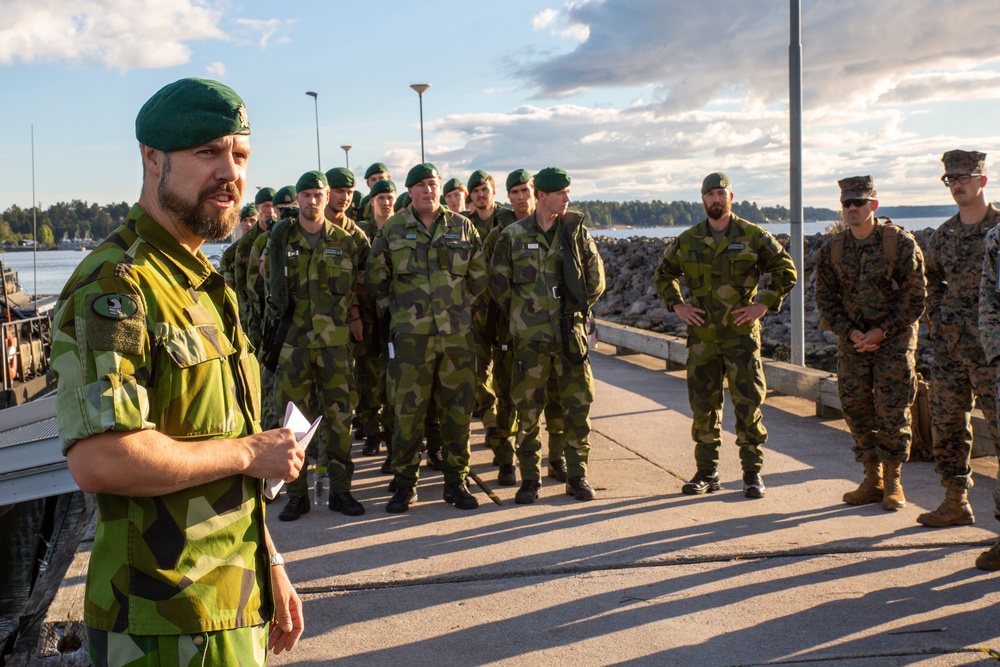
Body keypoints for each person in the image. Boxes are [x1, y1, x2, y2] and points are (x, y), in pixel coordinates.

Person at [49, 77, 304, 665]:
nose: (230, 172)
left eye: (239, 155)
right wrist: (249, 453)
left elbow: (217, 446)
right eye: (206, 152)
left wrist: (271, 564)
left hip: (229, 602)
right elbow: (101, 458)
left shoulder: (204, 284)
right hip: (161, 624)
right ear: (151, 157)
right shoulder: (118, 285)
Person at [655, 172, 796, 499]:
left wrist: (763, 304)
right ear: (702, 199)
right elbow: (664, 275)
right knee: (704, 407)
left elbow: (786, 270)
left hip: (741, 337)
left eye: (721, 193)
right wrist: (678, 306)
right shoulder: (688, 240)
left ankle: (752, 473)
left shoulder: (753, 235)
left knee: (748, 406)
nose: (715, 199)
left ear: (731, 196)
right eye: (710, 195)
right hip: (703, 339)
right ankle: (707, 472)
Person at [366, 163, 487, 513]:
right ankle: (405, 485)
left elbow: (479, 275)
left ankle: (456, 481)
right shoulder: (393, 229)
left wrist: (459, 307)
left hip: (456, 339)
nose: (428, 191)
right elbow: (376, 277)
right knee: (407, 413)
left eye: (432, 184)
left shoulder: (462, 227)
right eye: (420, 186)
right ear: (411, 192)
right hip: (410, 340)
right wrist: (400, 312)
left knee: (458, 412)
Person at [489, 167, 605, 503]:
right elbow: (499, 285)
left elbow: (596, 280)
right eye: (561, 193)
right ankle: (529, 479)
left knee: (577, 406)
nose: (568, 199)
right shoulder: (512, 235)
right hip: (530, 338)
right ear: (542, 196)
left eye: (569, 192)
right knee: (528, 409)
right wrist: (527, 314)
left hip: (570, 334)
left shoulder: (576, 233)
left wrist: (573, 307)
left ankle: (577, 475)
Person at [815, 176, 926, 511]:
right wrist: (850, 333)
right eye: (846, 204)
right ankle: (871, 477)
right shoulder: (832, 249)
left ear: (873, 205)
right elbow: (825, 299)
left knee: (892, 409)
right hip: (854, 341)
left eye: (858, 203)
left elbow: (916, 295)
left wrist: (884, 331)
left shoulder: (900, 243)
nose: (851, 209)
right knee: (856, 406)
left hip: (894, 341)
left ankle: (894, 481)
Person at [269, 171, 368, 521]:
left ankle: (342, 491)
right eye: (306, 194)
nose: (313, 201)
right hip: (294, 344)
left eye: (319, 194)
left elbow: (360, 288)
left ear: (328, 199)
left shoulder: (346, 241)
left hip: (335, 346)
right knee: (292, 422)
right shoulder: (280, 240)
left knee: (341, 419)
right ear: (297, 199)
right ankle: (297, 494)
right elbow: (266, 291)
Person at [920, 150, 1000, 530]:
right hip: (951, 350)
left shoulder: (999, 230)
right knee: (948, 427)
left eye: (964, 177)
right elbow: (930, 281)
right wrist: (937, 317)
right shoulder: (944, 235)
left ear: (982, 180)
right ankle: (955, 502)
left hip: (993, 353)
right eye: (950, 179)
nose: (956, 184)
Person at [466, 170, 518, 443]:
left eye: (485, 189)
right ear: (470, 196)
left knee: (506, 373)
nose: (481, 194)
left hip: (506, 310)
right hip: (476, 312)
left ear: (494, 191)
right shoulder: (463, 225)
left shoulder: (509, 220)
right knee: (477, 372)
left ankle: (505, 425)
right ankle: (489, 421)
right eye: (475, 191)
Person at [221, 203, 257, 289]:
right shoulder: (230, 252)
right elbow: (227, 285)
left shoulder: (266, 244)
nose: (248, 224)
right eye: (244, 220)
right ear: (240, 223)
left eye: (252, 220)